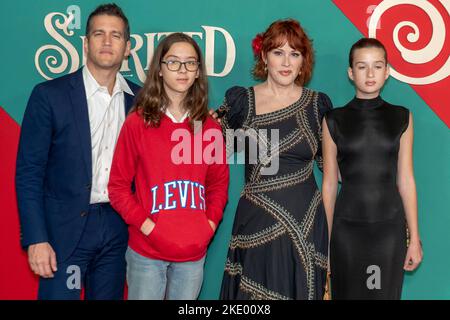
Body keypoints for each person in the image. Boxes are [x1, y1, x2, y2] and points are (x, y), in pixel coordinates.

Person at [15, 4, 141, 300]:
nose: (107, 42)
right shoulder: (49, 96)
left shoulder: (142, 99)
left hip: (117, 229)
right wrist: (37, 238)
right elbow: (29, 173)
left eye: (116, 35)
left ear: (127, 48)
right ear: (85, 43)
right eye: (99, 34)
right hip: (63, 231)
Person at [216, 19, 332, 300]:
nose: (286, 62)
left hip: (307, 228)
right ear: (264, 56)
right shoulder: (240, 102)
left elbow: (334, 172)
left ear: (304, 61)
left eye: (295, 53)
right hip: (256, 225)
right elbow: (204, 154)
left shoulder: (319, 105)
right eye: (278, 52)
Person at [108, 32, 229, 300]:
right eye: (173, 62)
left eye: (190, 63)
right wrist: (148, 227)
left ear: (198, 71)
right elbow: (117, 187)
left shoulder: (208, 127)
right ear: (160, 70)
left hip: (193, 255)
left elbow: (219, 183)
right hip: (146, 254)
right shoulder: (138, 123)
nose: (182, 70)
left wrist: (207, 225)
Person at [322, 38, 423, 299]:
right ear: (350, 72)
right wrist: (327, 244)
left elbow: (406, 180)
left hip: (388, 232)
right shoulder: (334, 120)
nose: (370, 74)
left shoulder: (402, 117)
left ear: (387, 71)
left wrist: (414, 239)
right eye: (362, 66)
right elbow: (330, 184)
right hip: (347, 233)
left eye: (377, 66)